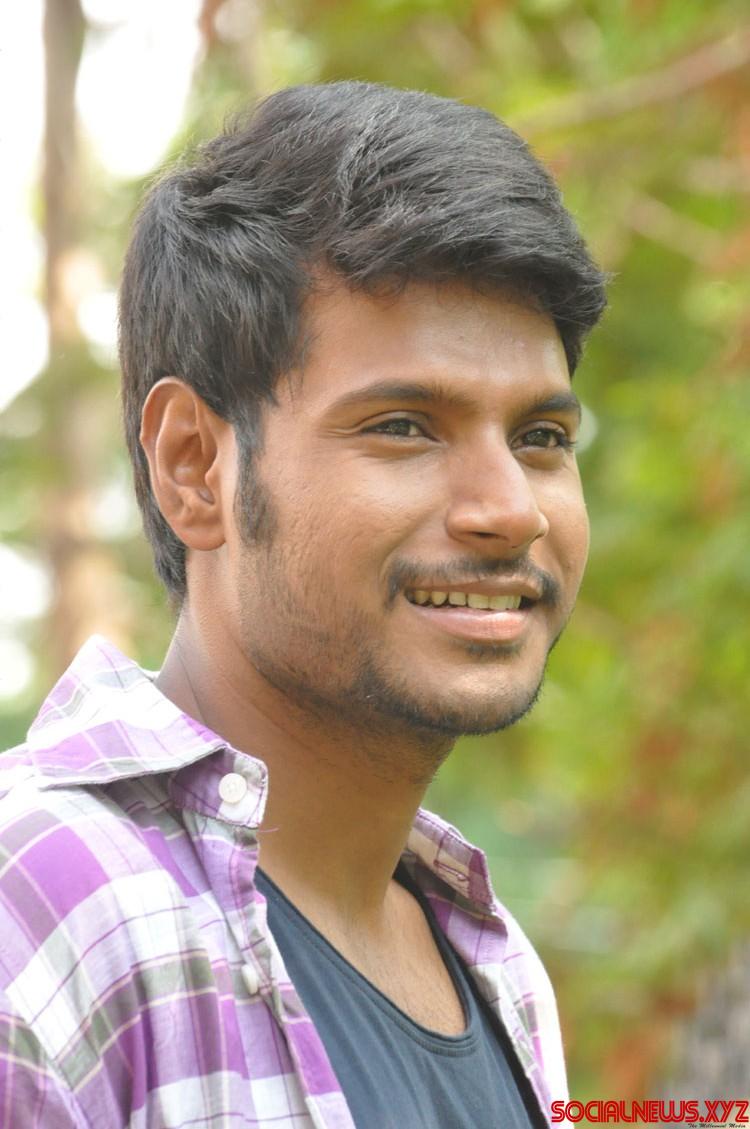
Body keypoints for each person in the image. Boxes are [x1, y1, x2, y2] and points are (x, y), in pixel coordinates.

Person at [0, 81, 606, 1128]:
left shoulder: (501, 972)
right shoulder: (45, 920)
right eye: (404, 426)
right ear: (195, 467)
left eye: (541, 438)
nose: (511, 509)